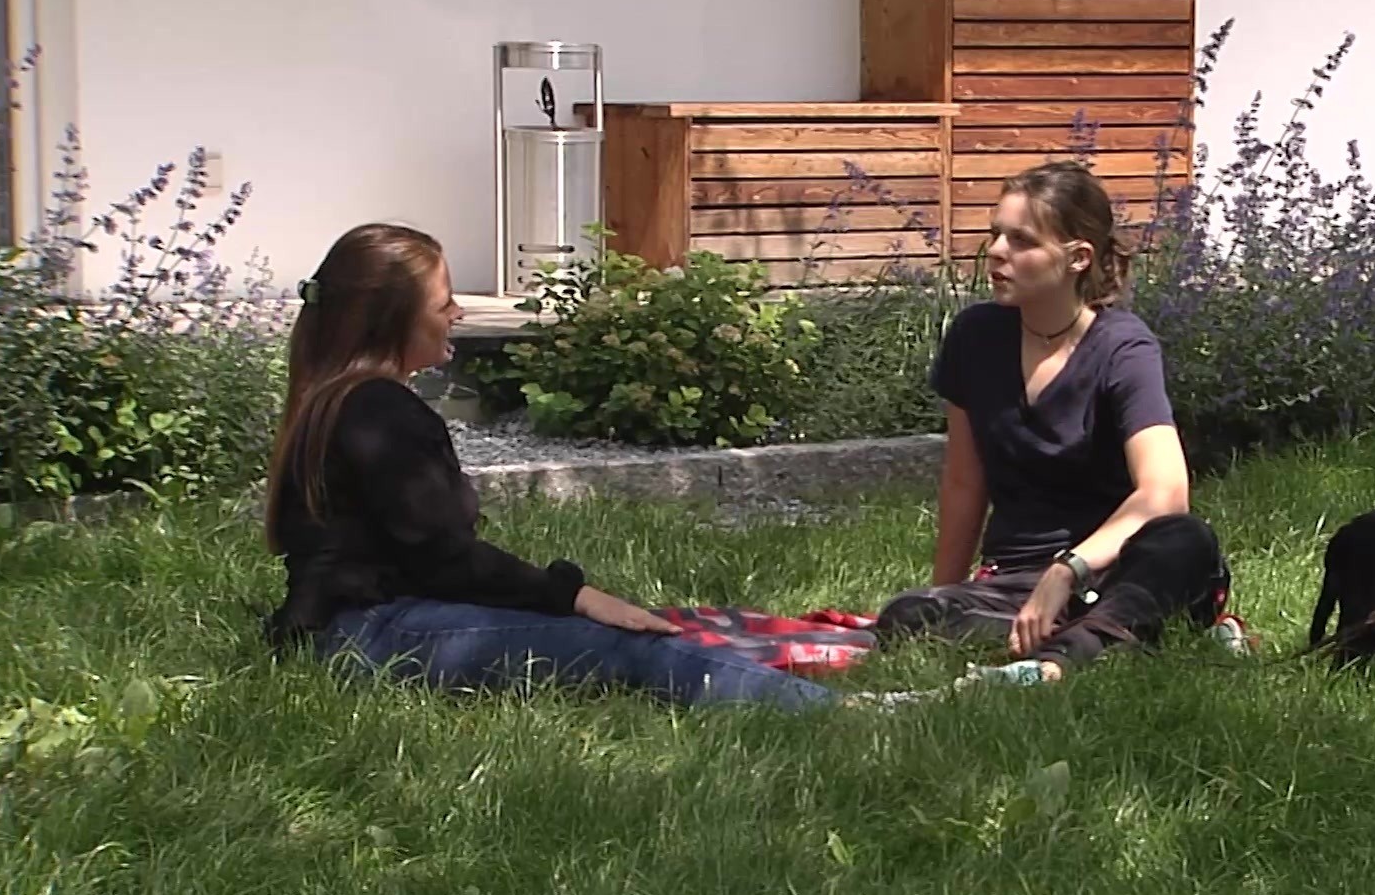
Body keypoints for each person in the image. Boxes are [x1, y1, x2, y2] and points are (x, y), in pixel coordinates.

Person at [260, 223, 836, 711]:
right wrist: (574, 596)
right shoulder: (378, 410)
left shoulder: (336, 399)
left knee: (616, 630)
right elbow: (446, 563)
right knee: (630, 647)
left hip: (348, 631)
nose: (457, 313)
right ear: (393, 321)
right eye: (443, 304)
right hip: (378, 636)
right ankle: (835, 712)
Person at [874, 161, 1232, 683]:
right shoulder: (975, 337)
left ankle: (1057, 661)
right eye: (996, 234)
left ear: (1077, 258)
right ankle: (1092, 643)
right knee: (907, 615)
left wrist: (1068, 568)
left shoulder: (1123, 347)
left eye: (1021, 240)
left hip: (1116, 571)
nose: (997, 251)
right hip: (1014, 584)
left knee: (1186, 540)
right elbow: (964, 482)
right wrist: (942, 592)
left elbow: (1165, 492)